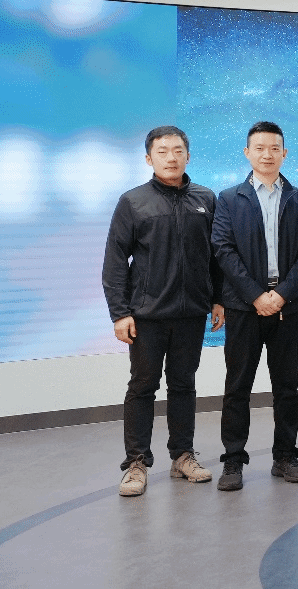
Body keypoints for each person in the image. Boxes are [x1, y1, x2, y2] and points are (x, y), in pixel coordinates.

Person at [102, 125, 223, 496]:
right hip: (146, 315)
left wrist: (218, 298)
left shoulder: (206, 198)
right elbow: (115, 261)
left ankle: (182, 456)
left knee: (183, 385)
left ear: (188, 155)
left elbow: (216, 256)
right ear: (148, 158)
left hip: (191, 313)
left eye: (177, 150)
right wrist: (120, 312)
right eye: (162, 151)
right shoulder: (133, 202)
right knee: (143, 386)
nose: (171, 158)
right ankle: (136, 463)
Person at [211, 121, 298, 492]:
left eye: (274, 148)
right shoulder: (229, 199)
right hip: (244, 307)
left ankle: (285, 457)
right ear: (247, 153)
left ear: (284, 153)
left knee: (286, 386)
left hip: (287, 306)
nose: (267, 154)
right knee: (237, 386)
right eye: (259, 148)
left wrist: (282, 294)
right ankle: (233, 460)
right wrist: (256, 295)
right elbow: (223, 249)